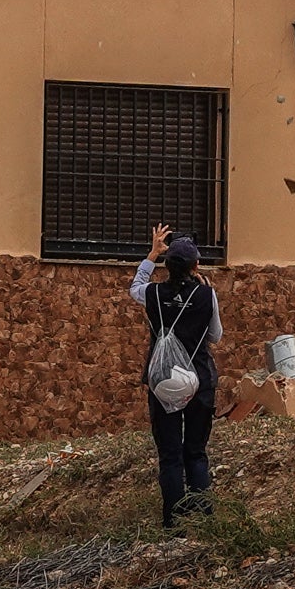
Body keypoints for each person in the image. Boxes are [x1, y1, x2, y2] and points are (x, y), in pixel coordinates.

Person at [129, 223, 222, 527]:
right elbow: (216, 336)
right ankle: (203, 518)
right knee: (195, 451)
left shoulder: (153, 294)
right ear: (196, 265)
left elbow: (135, 286)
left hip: (163, 381)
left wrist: (152, 254)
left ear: (167, 266)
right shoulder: (207, 295)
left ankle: (173, 522)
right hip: (199, 381)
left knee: (170, 455)